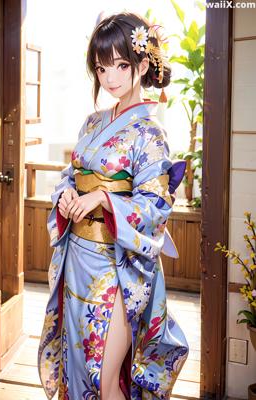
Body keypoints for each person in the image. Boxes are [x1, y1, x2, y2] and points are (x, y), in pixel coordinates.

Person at [38, 11, 189, 400]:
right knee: (78, 371)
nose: (111, 78)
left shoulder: (151, 135)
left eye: (122, 65)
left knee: (106, 380)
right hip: (77, 259)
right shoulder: (91, 123)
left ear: (142, 64)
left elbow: (154, 206)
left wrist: (103, 197)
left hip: (117, 268)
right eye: (102, 68)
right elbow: (69, 175)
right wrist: (67, 194)